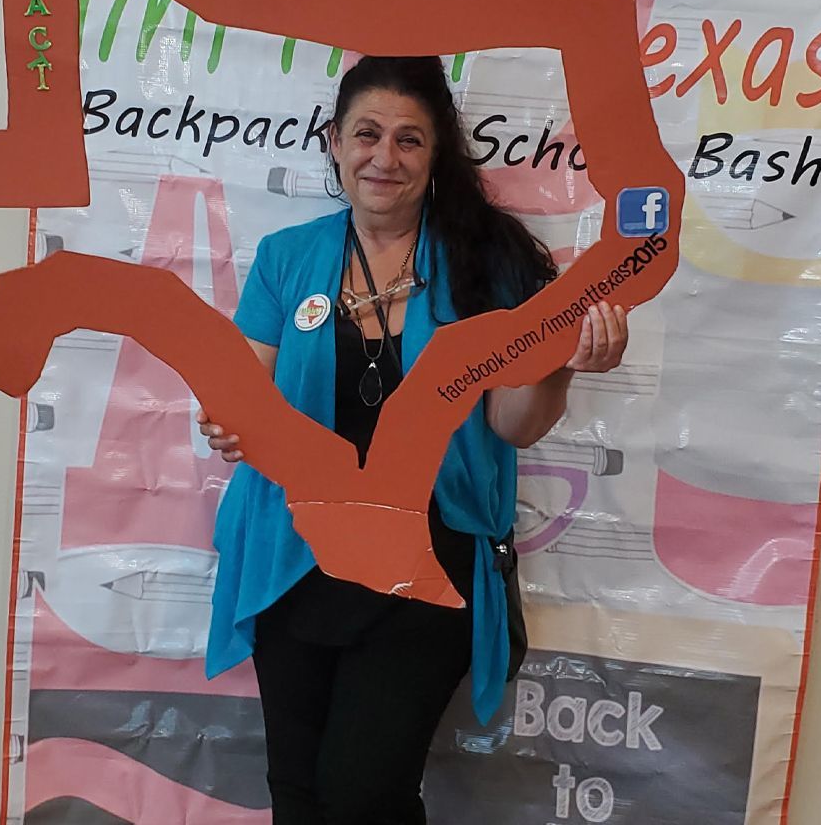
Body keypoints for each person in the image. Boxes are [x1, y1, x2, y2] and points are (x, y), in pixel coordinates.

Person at [198, 55, 628, 824]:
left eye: (409, 140)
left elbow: (512, 424)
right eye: (367, 134)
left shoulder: (486, 264)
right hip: (291, 554)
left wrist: (565, 366)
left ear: (436, 157)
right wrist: (227, 425)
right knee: (297, 796)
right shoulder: (287, 259)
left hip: (428, 565)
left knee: (364, 796)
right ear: (334, 142)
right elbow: (245, 395)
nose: (384, 157)